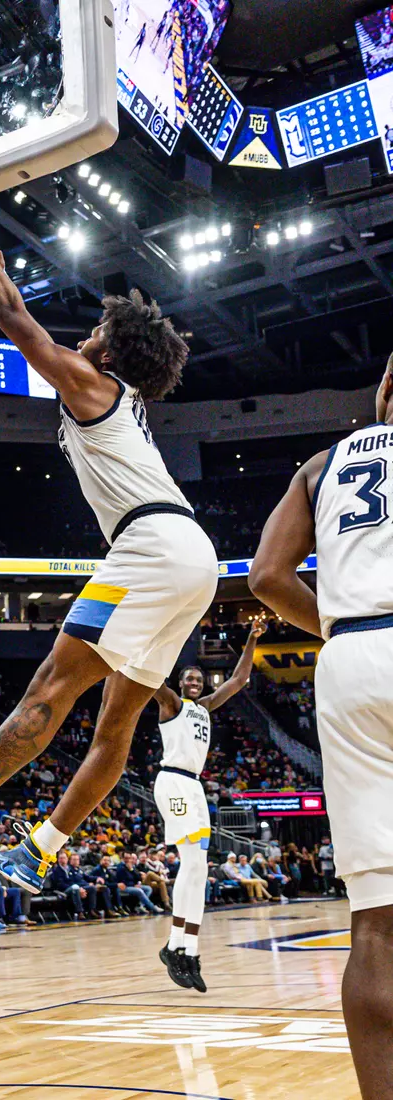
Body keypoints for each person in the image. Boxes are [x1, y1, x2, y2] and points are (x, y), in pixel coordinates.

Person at [0, 210, 218, 902]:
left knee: (51, 686)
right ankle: (40, 851)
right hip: (192, 556)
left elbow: (12, 314)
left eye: (99, 331)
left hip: (148, 548)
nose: (87, 335)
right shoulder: (124, 399)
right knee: (115, 725)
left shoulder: (90, 382)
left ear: (110, 351)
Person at [249, 353, 393, 1100]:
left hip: (352, 659)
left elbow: (267, 576)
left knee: (376, 923)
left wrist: (337, 630)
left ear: (387, 390)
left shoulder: (322, 463)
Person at [155, 621, 265, 993]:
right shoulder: (171, 704)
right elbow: (151, 679)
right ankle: (175, 944)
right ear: (180, 682)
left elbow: (239, 680)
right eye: (188, 678)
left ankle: (187, 948)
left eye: (198, 679)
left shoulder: (205, 707)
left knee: (199, 868)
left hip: (194, 787)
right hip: (172, 781)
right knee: (191, 864)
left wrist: (250, 639)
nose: (194, 683)